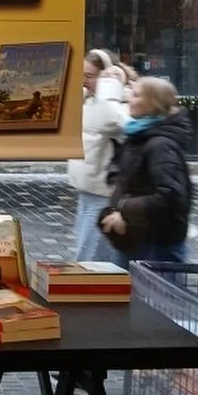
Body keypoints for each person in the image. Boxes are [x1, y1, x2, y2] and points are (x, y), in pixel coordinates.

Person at [99, 75, 192, 266]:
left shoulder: (161, 145)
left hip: (155, 247)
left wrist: (124, 211)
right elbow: (125, 168)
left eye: (136, 95)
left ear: (153, 103)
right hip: (134, 240)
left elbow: (170, 196)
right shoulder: (138, 135)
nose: (128, 99)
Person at [67, 49, 130, 263]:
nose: (84, 81)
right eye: (82, 75)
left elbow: (126, 126)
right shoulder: (89, 99)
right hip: (87, 192)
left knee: (89, 260)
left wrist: (111, 89)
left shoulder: (117, 102)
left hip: (104, 196)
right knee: (87, 255)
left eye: (90, 76)